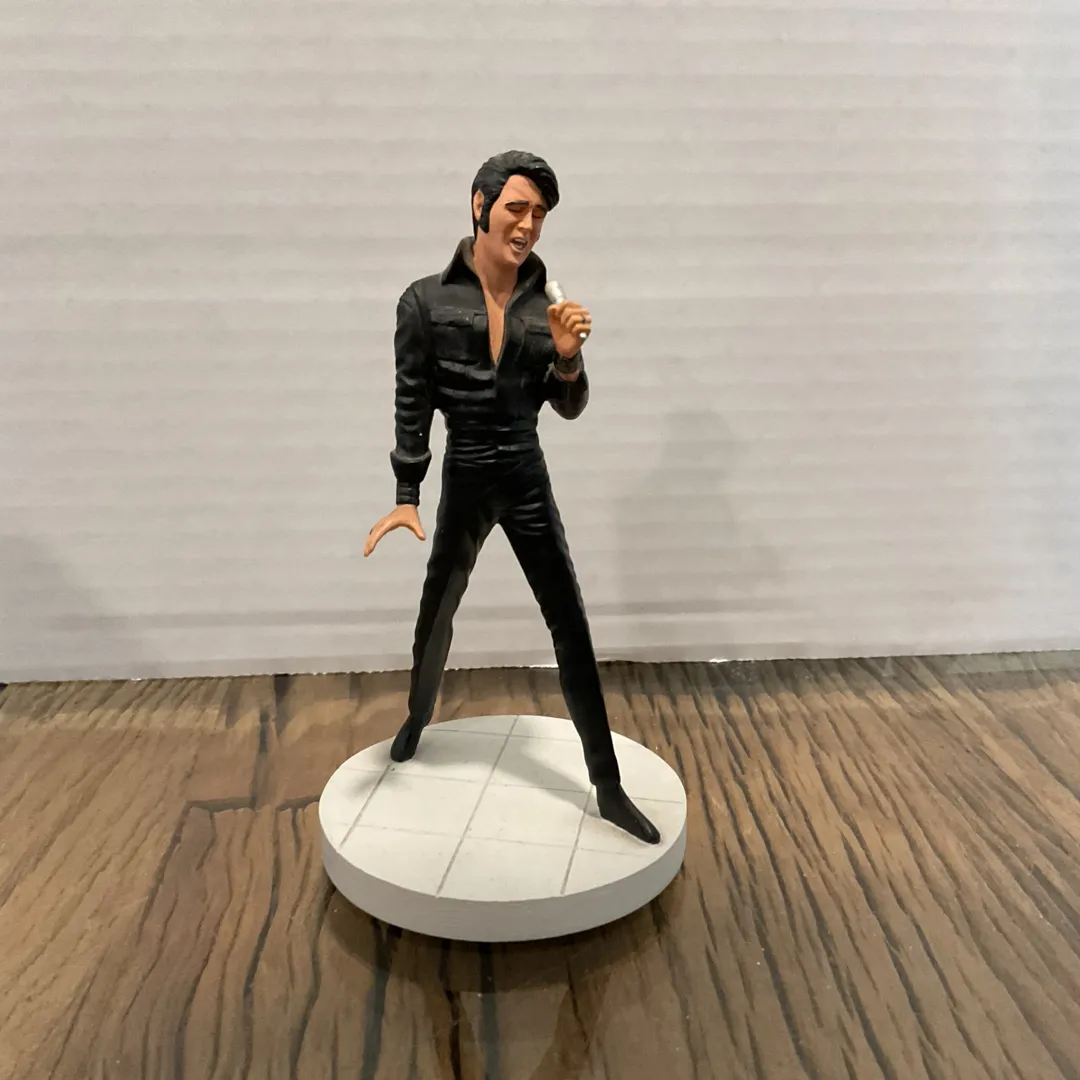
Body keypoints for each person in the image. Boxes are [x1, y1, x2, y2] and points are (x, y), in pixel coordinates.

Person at [364, 150, 659, 844]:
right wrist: (407, 491)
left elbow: (570, 406)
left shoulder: (546, 303)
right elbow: (412, 400)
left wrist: (568, 358)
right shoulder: (425, 301)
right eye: (516, 209)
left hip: (525, 472)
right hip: (465, 472)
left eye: (539, 215)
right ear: (480, 205)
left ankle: (608, 786)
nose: (527, 226)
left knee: (570, 623)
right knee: (437, 609)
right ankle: (415, 718)